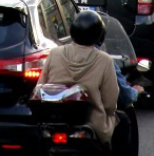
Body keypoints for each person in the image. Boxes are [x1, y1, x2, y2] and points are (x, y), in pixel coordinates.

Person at [36, 10, 119, 148]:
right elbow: (110, 103)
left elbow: (40, 87)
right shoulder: (105, 60)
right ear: (99, 34)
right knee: (123, 121)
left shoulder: (55, 53)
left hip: (53, 120)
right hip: (92, 123)